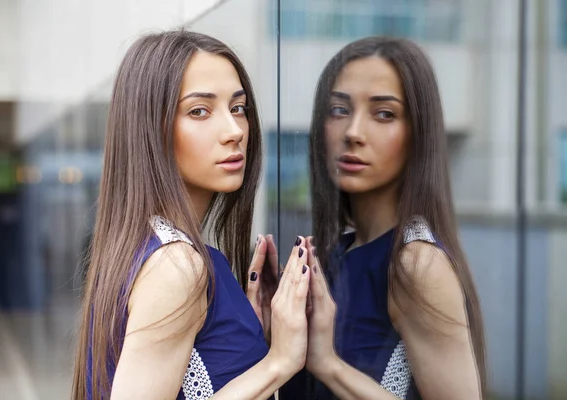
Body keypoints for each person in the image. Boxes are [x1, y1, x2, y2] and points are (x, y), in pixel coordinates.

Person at [71, 30, 311, 400]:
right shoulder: (177, 265)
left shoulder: (156, 249)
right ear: (152, 130)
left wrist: (241, 332)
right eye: (199, 111)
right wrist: (278, 362)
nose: (234, 131)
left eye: (238, 108)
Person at [282, 36, 487, 399]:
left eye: (384, 114)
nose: (353, 133)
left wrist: (329, 366)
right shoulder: (335, 256)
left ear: (417, 135)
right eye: (339, 110)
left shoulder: (415, 262)